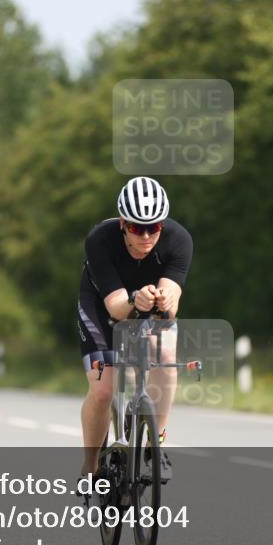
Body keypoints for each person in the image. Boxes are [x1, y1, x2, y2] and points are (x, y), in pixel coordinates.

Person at [77, 176, 192, 482]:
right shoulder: (99, 240)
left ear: (162, 226)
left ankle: (157, 443)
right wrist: (135, 299)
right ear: (122, 224)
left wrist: (164, 299)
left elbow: (171, 306)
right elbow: (116, 308)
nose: (145, 236)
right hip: (103, 304)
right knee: (103, 391)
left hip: (147, 304)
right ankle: (90, 465)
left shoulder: (179, 240)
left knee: (166, 355)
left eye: (153, 227)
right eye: (136, 228)